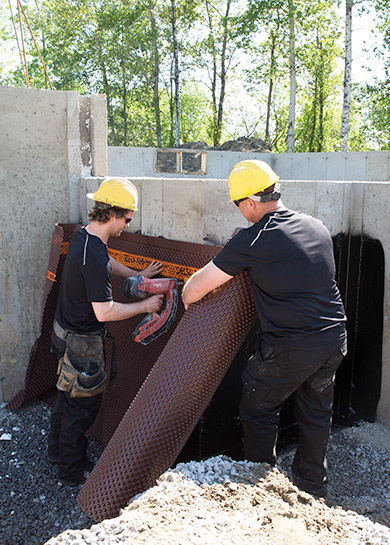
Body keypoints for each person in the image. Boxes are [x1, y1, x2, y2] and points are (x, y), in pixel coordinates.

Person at [182, 159, 347, 498]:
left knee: (258, 407)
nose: (240, 212)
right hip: (334, 339)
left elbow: (197, 287)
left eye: (239, 205)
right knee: (316, 412)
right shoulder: (316, 226)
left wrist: (186, 295)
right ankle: (312, 486)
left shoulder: (253, 239)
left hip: (292, 346)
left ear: (250, 202)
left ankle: (263, 488)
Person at [48, 176, 164, 486]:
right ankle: (71, 471)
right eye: (127, 218)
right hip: (82, 344)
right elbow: (105, 311)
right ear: (112, 214)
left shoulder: (86, 239)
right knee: (81, 407)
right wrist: (146, 306)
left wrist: (137, 274)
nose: (128, 224)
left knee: (66, 395)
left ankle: (57, 453)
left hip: (64, 332)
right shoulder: (93, 255)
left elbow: (107, 262)